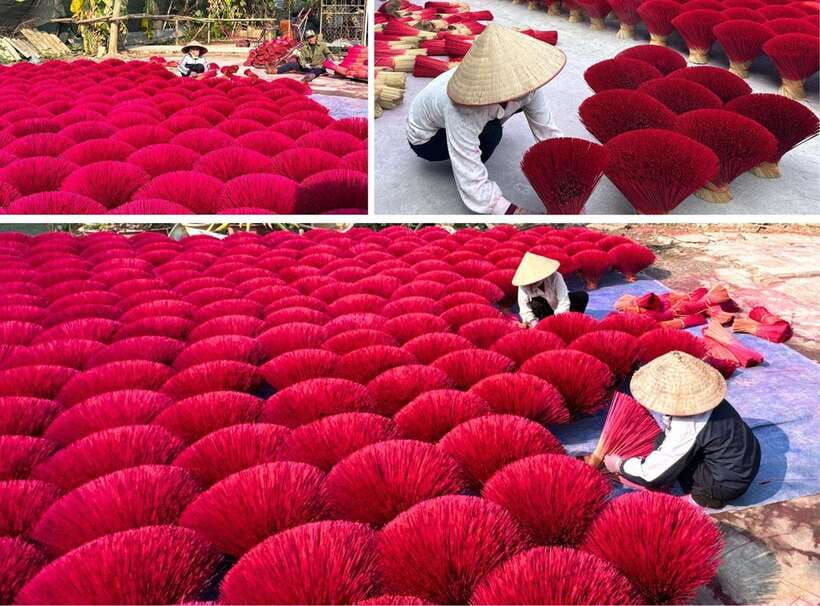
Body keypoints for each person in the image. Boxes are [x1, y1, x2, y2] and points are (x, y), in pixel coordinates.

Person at [405, 24, 566, 215]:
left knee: (515, 106)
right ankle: (474, 140)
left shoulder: (528, 83)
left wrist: (565, 170)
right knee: (491, 133)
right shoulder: (464, 108)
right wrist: (513, 212)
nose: (527, 87)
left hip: (467, 116)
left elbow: (547, 130)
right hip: (428, 139)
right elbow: (472, 180)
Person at [605, 351, 762, 509]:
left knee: (662, 470)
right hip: (744, 461)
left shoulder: (687, 422)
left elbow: (652, 473)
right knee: (662, 440)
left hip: (728, 482)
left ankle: (702, 498)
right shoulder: (705, 401)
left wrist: (620, 465)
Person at [513, 252, 589, 327]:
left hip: (559, 309)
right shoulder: (523, 286)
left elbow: (564, 301)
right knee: (537, 303)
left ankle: (574, 321)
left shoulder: (556, 277)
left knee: (582, 296)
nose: (533, 282)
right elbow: (524, 310)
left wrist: (558, 322)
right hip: (543, 314)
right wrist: (535, 325)